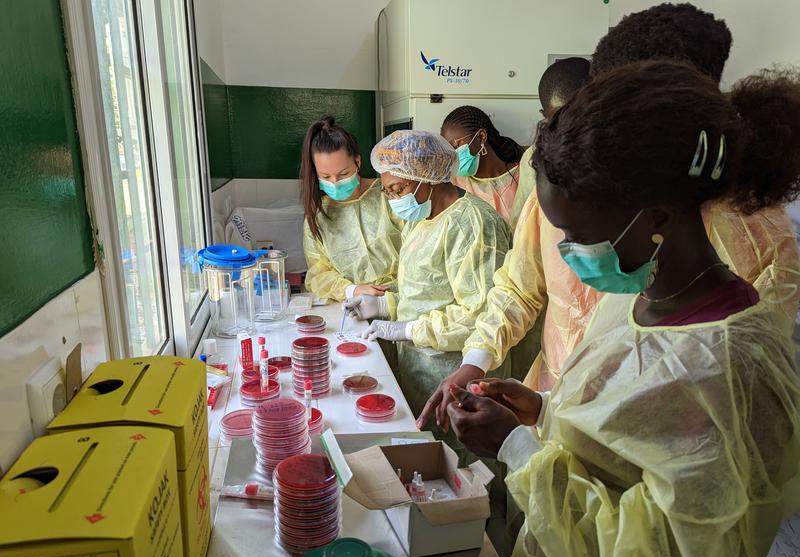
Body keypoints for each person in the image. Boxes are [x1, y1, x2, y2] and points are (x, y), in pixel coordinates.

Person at [441, 61, 800, 557]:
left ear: (655, 216)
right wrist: (543, 411)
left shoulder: (728, 365)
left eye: (579, 235)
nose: (568, 252)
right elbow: (624, 437)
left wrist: (516, 449)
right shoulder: (634, 296)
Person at [419, 2, 800, 431]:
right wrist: (488, 368)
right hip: (564, 404)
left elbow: (706, 417)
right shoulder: (575, 187)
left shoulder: (749, 246)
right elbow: (521, 287)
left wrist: (531, 438)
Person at [342, 130, 511, 418]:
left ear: (428, 178)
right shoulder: (423, 217)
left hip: (458, 373)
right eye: (387, 191)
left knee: (462, 458)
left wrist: (408, 329)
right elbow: (424, 287)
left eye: (398, 189)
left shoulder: (474, 225)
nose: (393, 199)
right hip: (420, 367)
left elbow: (481, 315)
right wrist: (383, 303)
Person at [300, 117, 403, 302]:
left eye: (343, 174)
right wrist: (353, 290)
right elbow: (318, 274)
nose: (335, 182)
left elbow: (419, 248)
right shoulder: (318, 217)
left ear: (357, 162)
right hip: (355, 304)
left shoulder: (389, 194)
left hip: (405, 297)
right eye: (325, 176)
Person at [510, 57, 591, 228]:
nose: (569, 126)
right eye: (558, 118)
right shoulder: (533, 158)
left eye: (577, 114)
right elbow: (520, 222)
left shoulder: (616, 148)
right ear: (544, 115)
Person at [440, 106, 525, 225]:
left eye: (456, 146)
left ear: (481, 137)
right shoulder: (454, 184)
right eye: (448, 150)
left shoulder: (523, 178)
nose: (452, 156)